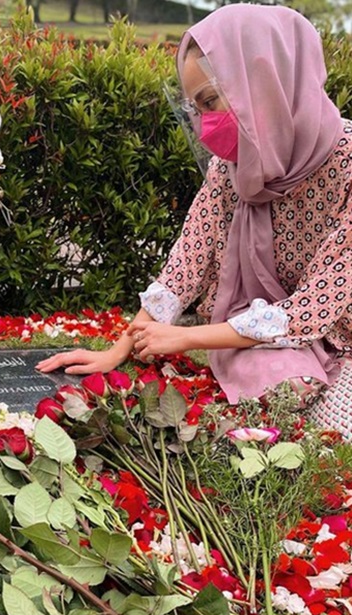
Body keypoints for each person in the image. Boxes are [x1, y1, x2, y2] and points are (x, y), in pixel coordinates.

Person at [37, 4, 352, 438]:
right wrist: (118, 349)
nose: (206, 126)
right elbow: (190, 257)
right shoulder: (234, 166)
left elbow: (317, 304)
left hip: (335, 333)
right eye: (196, 108)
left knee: (313, 407)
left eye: (210, 103)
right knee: (281, 383)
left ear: (262, 84)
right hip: (262, 334)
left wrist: (187, 337)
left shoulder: (347, 163)